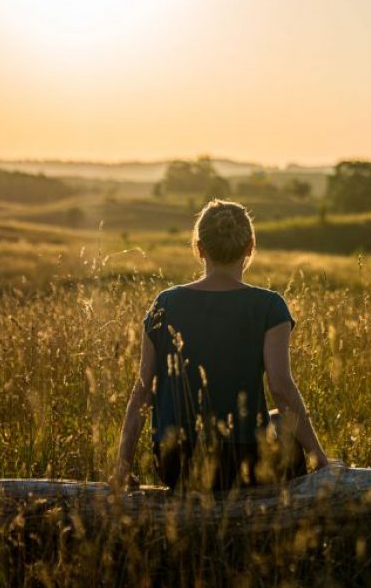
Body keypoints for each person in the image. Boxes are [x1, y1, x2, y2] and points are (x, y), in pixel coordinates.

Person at [112, 199, 331, 490]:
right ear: (250, 246)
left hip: (175, 462)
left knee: (277, 419)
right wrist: (321, 461)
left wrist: (122, 468)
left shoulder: (165, 304)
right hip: (243, 461)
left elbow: (142, 392)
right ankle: (282, 523)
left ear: (199, 248)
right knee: (283, 424)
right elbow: (280, 388)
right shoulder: (269, 306)